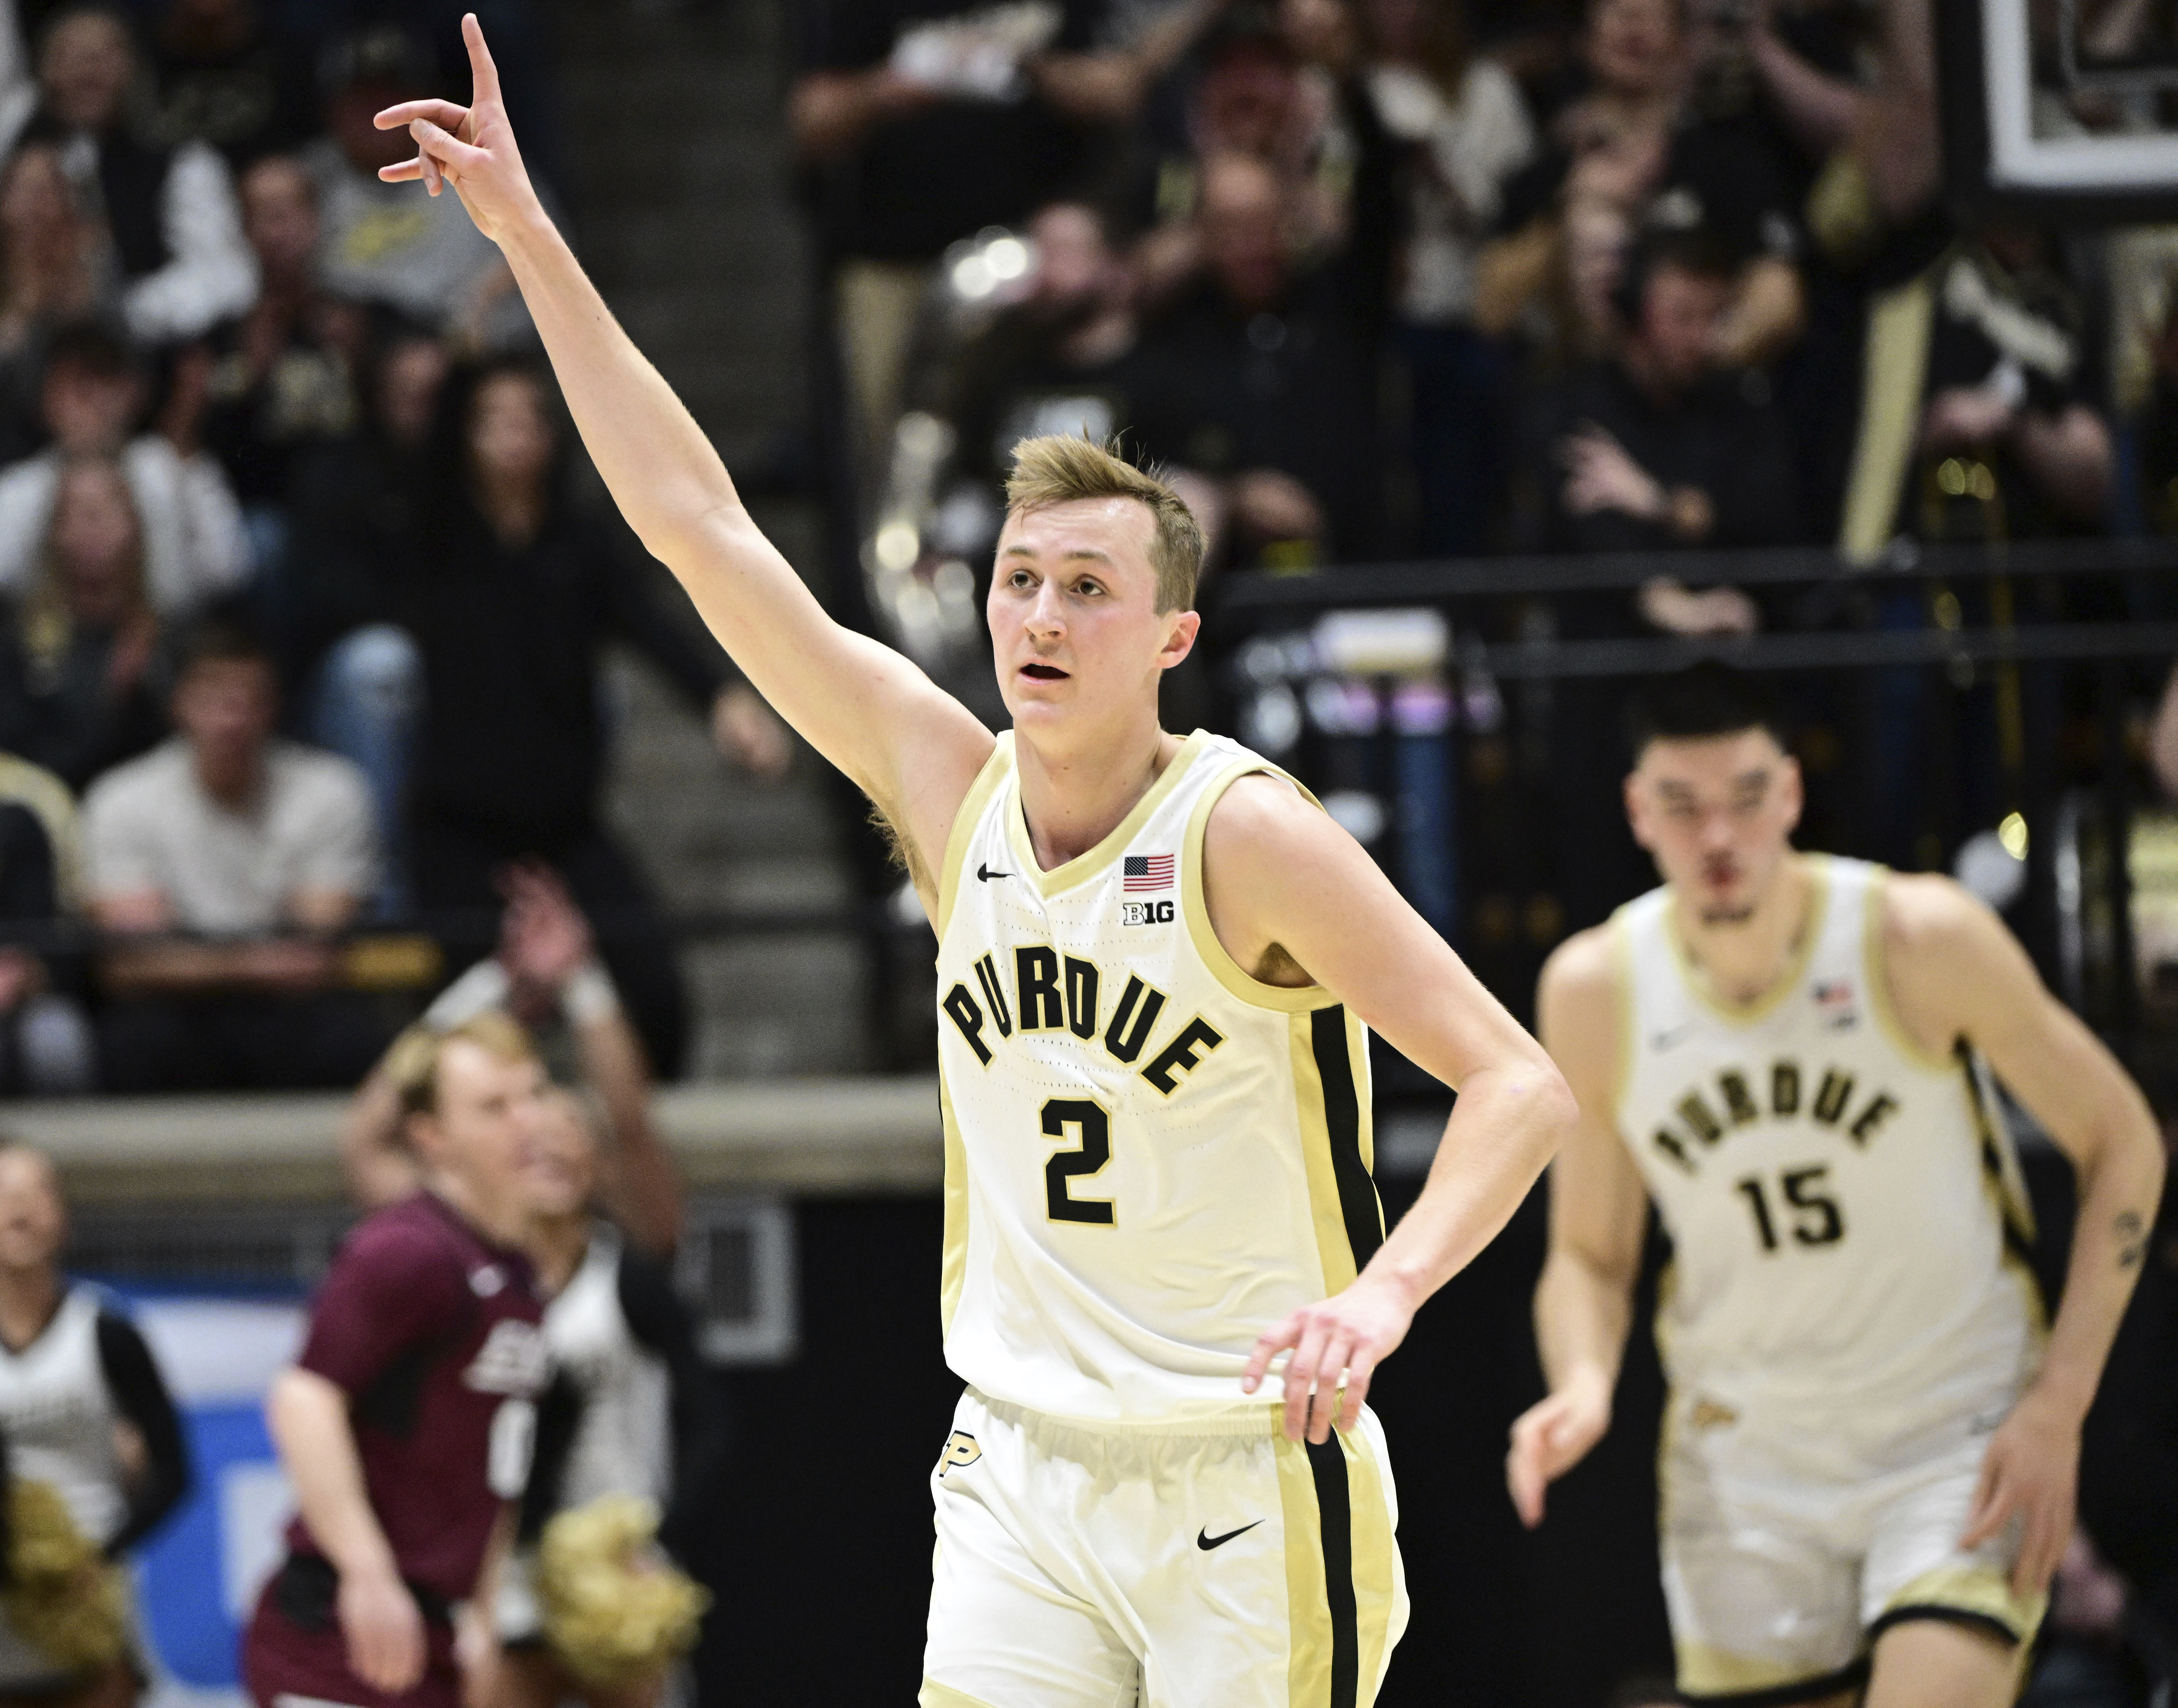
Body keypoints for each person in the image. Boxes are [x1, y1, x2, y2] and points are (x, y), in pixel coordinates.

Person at [376, 23, 1578, 1705]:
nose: (1037, 617)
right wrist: (527, 238)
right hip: (1017, 1467)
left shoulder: (1244, 834)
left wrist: (1378, 1301)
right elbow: (698, 527)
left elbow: (1515, 1084)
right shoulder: (946, 785)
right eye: (1019, 580)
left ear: (1170, 633)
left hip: (1240, 1469)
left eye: (1086, 589)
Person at [1508, 663, 2167, 1708]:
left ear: (1790, 794)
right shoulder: (1595, 986)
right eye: (1682, 804)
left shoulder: (1915, 937)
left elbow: (2123, 1138)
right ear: (1637, 810)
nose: (1716, 836)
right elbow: (1589, 1252)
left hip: (1951, 1431)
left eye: (1744, 797)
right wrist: (1582, 1379)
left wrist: (2060, 1402)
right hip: (1745, 1462)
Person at [340, 864, 718, 1708]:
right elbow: (368, 1135)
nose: (542, 1150)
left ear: (594, 1164)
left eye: (563, 1140)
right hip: (498, 1564)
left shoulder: (633, 1258)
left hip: (620, 1560)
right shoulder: (456, 1260)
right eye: (525, 1139)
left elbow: (629, 1115)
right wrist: (491, 989)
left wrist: (581, 982)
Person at [388, 355, 787, 1079]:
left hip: (564, 828)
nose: (514, 436)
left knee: (659, 997)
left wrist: (723, 699)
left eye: (529, 419)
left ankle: (635, 1163)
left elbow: (650, 625)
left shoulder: (579, 542)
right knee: (453, 1027)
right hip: (458, 829)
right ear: (463, 435)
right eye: (493, 420)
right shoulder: (434, 535)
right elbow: (416, 448)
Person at [242, 1010, 551, 1708]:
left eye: (535, 1094)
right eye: (495, 1108)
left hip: (432, 1633)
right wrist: (368, 1571)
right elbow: (304, 1399)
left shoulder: (517, 1272)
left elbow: (495, 1464)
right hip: (340, 1633)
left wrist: (480, 1614)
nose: (529, 1121)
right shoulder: (409, 1251)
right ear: (432, 1138)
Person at [81, 621, 391, 1090]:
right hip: (173, 1012)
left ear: (275, 706)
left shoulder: (331, 790)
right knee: (131, 1040)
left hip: (289, 1012)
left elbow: (314, 957)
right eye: (215, 697)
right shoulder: (121, 798)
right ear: (178, 705)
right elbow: (131, 965)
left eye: (250, 698)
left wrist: (191, 960)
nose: (233, 716)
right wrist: (258, 962)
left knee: (348, 1037)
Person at [0, 1138, 188, 1706]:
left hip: (91, 1599)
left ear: (65, 1215)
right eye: (5, 1194)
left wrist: (103, 1554)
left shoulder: (106, 1333)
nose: (22, 1209)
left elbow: (175, 1469)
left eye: (38, 1191)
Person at [21, 4, 256, 346]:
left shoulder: (182, 162)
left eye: (102, 57)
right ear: (45, 71)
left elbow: (229, 277)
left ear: (133, 68)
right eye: (72, 56)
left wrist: (127, 314)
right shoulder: (18, 157)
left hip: (145, 356)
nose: (87, 71)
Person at [0, 321, 249, 619]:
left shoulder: (169, 466)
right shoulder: (17, 489)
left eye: (103, 379)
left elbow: (231, 570)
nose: (89, 397)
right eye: (74, 382)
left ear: (135, 392)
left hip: (167, 644)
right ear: (45, 398)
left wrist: (189, 458)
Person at [0, 455, 168, 793]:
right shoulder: (21, 641)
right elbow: (24, 763)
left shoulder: (166, 639)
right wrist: (113, 700)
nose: (91, 524)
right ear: (53, 531)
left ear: (135, 524)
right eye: (75, 511)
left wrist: (137, 697)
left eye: (106, 508)